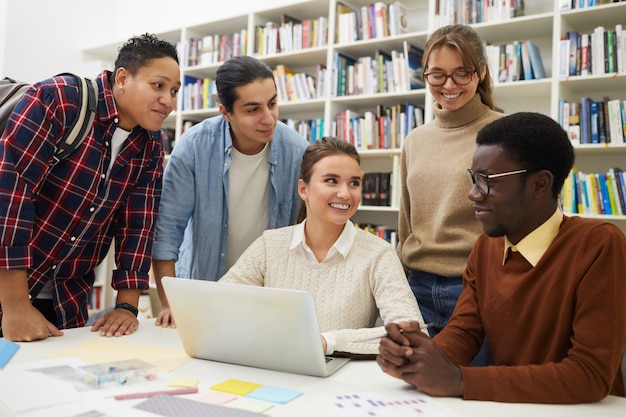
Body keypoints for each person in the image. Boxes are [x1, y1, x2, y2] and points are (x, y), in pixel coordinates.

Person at [377, 112, 626, 403]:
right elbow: (465, 332)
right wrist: (417, 355)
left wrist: (459, 380)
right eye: (473, 179)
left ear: (539, 184)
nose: (472, 194)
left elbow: (589, 376)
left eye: (485, 181)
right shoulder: (485, 247)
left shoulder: (598, 243)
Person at [0, 33, 181, 342]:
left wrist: (127, 306)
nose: (169, 100)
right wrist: (15, 304)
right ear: (123, 78)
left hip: (65, 300)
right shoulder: (60, 99)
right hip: (9, 290)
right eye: (158, 85)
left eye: (175, 90)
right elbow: (10, 198)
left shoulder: (151, 145)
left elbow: (138, 226)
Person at [219, 136, 428, 355]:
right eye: (331, 180)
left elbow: (412, 335)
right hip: (274, 367)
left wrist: (328, 342)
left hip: (339, 379)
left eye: (354, 183)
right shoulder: (269, 245)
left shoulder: (378, 253)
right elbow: (218, 306)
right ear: (303, 189)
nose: (345, 194)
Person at [152, 55, 309, 327]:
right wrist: (169, 303)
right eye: (252, 110)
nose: (268, 118)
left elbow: (305, 231)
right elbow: (167, 232)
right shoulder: (194, 146)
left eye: (272, 104)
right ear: (226, 112)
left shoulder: (299, 153)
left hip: (268, 297)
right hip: (203, 291)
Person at [397, 24, 504, 364]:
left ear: (481, 71)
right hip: (417, 291)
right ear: (425, 75)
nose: (449, 85)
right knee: (413, 396)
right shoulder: (415, 140)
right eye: (437, 75)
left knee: (470, 399)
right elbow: (406, 221)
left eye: (461, 73)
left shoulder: (505, 133)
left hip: (478, 289)